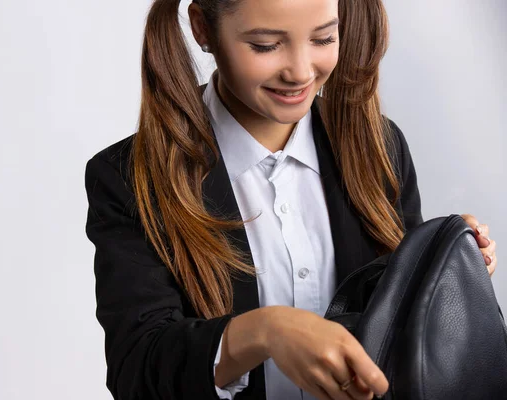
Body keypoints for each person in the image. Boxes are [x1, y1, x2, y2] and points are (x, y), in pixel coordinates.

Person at [84, 0, 498, 399]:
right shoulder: (130, 178)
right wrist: (264, 331)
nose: (300, 72)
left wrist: (441, 257)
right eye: (266, 45)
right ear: (203, 28)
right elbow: (136, 370)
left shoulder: (379, 146)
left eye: (323, 39)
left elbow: (404, 327)